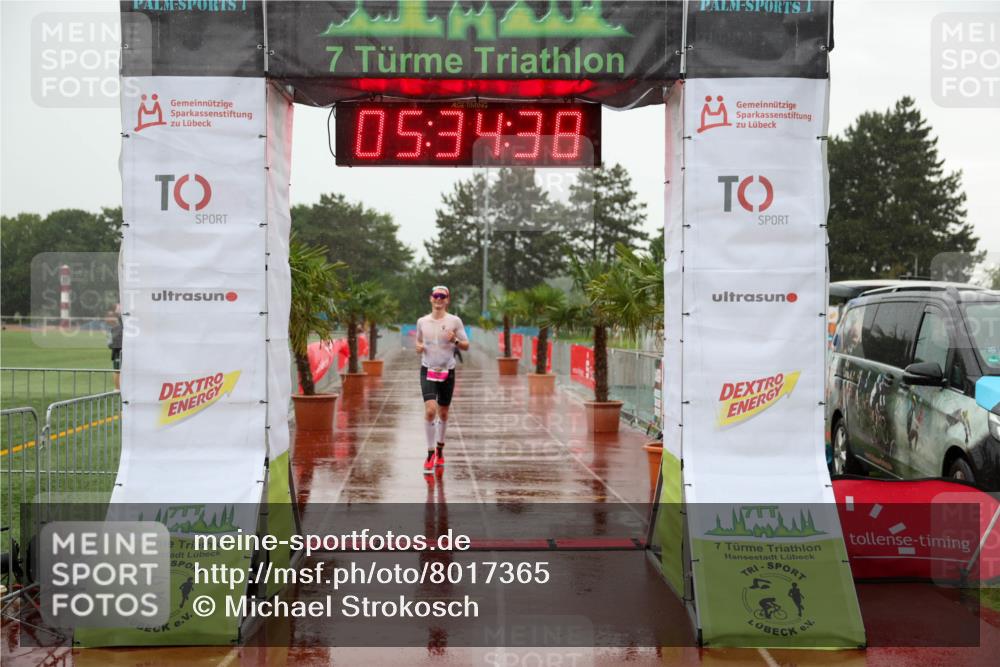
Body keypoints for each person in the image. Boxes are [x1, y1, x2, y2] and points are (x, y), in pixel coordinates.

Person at [415, 286, 469, 473]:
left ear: (447, 299)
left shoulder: (455, 321)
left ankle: (440, 448)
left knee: (443, 413)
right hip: (427, 369)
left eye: (442, 296)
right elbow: (418, 342)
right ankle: (430, 454)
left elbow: (466, 346)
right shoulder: (422, 321)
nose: (438, 299)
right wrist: (419, 348)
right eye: (435, 296)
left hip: (448, 371)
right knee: (430, 410)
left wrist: (454, 340)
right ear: (431, 299)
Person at [106, 306, 123, 389]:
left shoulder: (114, 329)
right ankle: (118, 388)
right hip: (119, 352)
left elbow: (109, 344)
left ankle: (117, 389)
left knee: (117, 370)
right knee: (118, 370)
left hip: (117, 352)